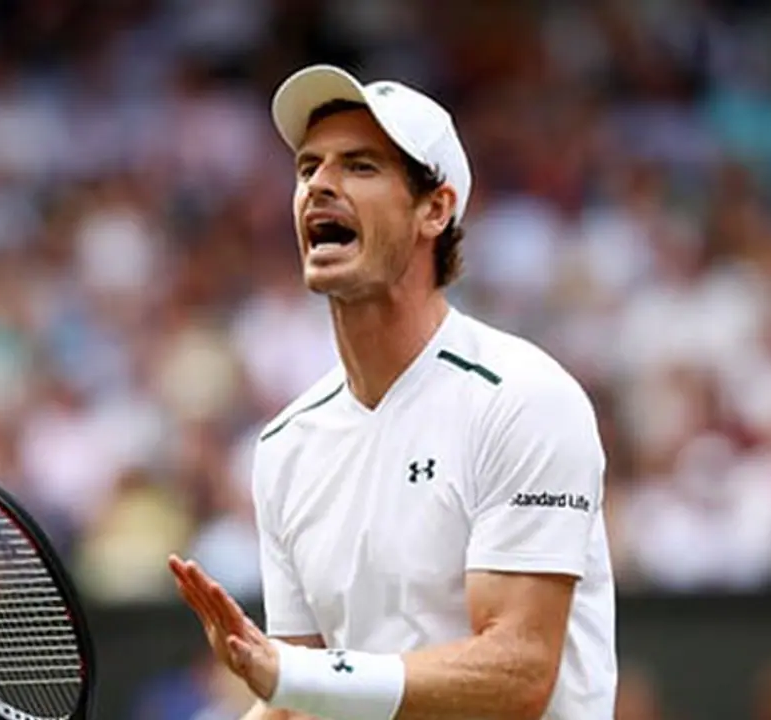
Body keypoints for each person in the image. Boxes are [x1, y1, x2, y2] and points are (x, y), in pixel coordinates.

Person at [169, 64, 616, 720]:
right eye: (307, 168)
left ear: (435, 209)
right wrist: (283, 684)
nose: (320, 184)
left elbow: (518, 672)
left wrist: (295, 674)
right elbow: (302, 702)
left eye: (360, 166)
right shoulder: (285, 447)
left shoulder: (524, 399)